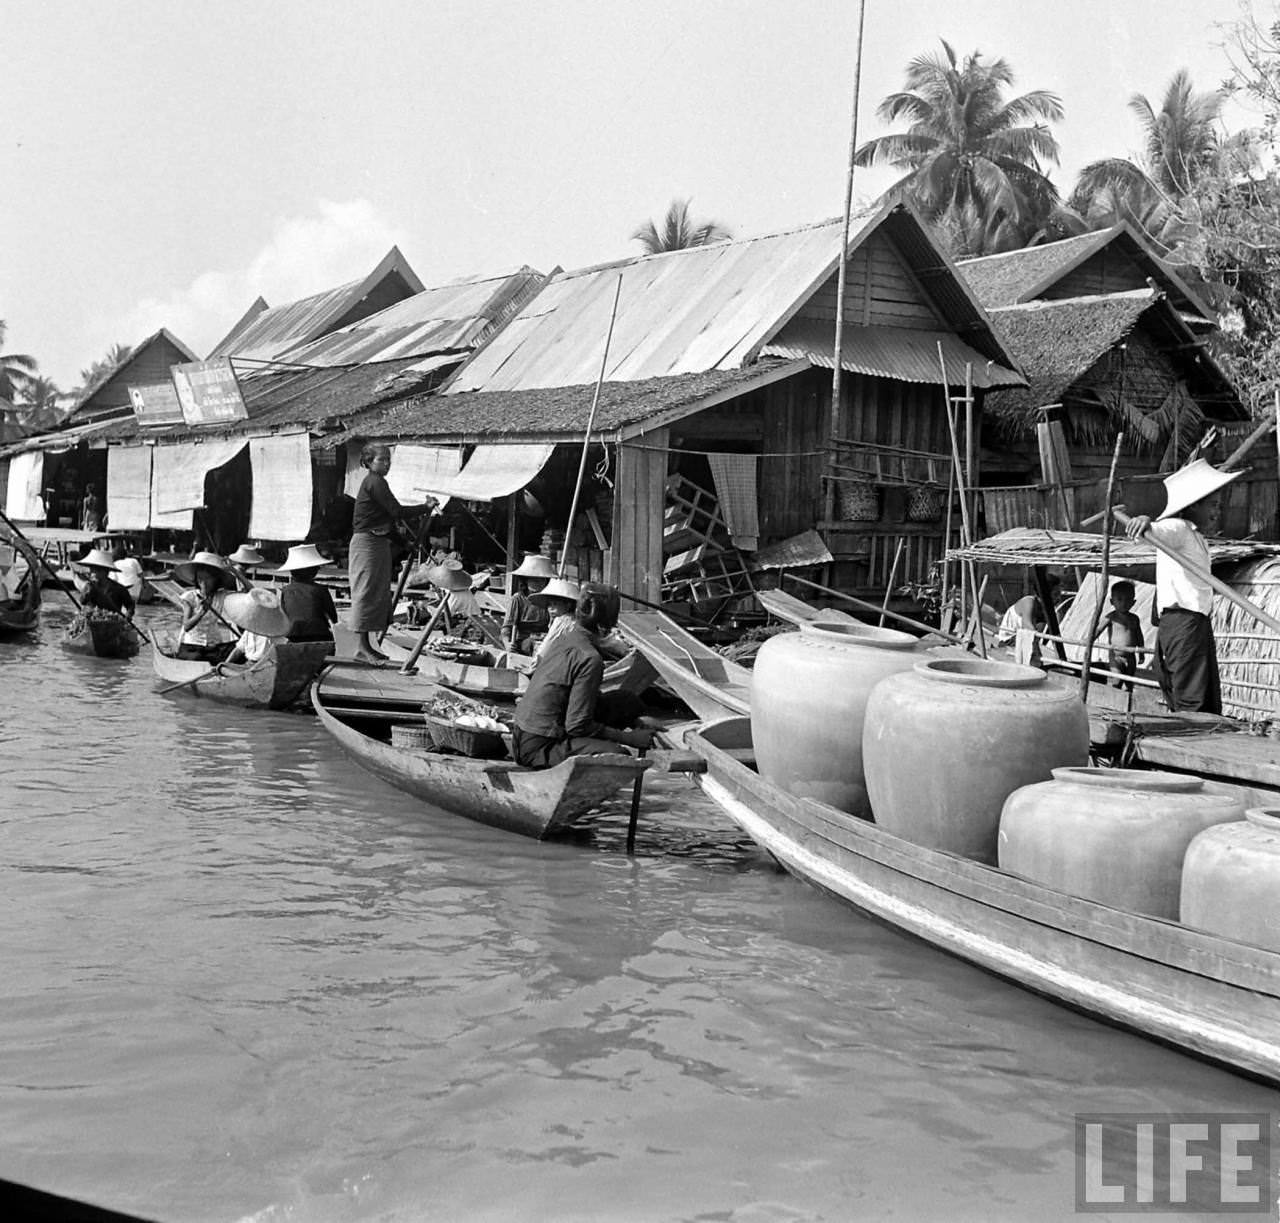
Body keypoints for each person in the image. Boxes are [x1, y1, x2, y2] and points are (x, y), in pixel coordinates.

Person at [1125, 458, 1241, 714]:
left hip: (1196, 623)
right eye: (1212, 504)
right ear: (1194, 505)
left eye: (1219, 506)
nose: (1217, 512)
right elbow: (1155, 532)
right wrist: (1146, 521)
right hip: (1183, 622)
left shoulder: (1196, 537)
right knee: (1192, 697)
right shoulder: (1178, 528)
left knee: (1204, 695)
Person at [511, 582, 654, 768]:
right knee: (620, 756)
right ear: (607, 627)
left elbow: (586, 701)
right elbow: (577, 725)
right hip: (538, 748)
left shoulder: (566, 637)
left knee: (627, 700)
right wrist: (629, 738)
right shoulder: (590, 659)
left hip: (522, 735)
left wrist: (635, 720)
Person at [348, 443, 435, 663]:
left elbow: (385, 521)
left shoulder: (379, 482)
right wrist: (425, 507)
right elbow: (396, 512)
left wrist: (404, 543)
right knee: (365, 592)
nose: (386, 464)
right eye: (382, 460)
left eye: (388, 460)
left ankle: (368, 645)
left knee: (377, 593)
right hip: (366, 544)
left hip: (378, 543)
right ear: (369, 462)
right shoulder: (374, 482)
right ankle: (360, 648)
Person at [173, 551, 240, 663]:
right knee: (197, 658)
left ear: (216, 581)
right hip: (192, 646)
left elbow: (246, 593)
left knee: (238, 649)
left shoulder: (221, 596)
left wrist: (236, 572)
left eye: (208, 579)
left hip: (213, 646)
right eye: (200, 579)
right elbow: (186, 626)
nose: (204, 583)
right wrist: (201, 612)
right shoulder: (189, 597)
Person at [275, 543, 338, 644]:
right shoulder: (320, 590)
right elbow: (334, 618)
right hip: (319, 635)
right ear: (312, 571)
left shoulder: (285, 591)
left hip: (293, 636)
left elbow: (284, 617)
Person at [222, 588, 292, 665]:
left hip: (264, 667)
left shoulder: (275, 632)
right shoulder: (249, 630)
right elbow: (238, 649)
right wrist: (225, 664)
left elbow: (284, 649)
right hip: (249, 664)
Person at [502, 554, 556, 654]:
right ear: (526, 580)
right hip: (523, 644)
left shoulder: (551, 600)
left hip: (546, 643)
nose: (538, 583)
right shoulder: (517, 599)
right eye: (533, 579)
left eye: (541, 579)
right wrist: (507, 644)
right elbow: (507, 628)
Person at [1102, 579, 1144, 687]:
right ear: (1112, 601)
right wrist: (1089, 640)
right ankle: (1114, 700)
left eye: (1128, 600)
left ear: (1133, 602)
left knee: (1129, 682)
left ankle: (1128, 699)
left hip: (1131, 656)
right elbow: (1098, 629)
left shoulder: (1134, 619)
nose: (1124, 603)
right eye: (1119, 599)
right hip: (1116, 656)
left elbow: (1139, 635)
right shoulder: (1111, 617)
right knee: (1117, 681)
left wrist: (1141, 652)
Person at [78, 548, 134, 618]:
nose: (93, 573)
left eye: (97, 570)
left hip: (112, 621)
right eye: (92, 569)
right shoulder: (89, 586)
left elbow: (130, 605)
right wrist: (89, 591)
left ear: (105, 572)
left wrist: (128, 614)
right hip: (93, 620)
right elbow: (82, 601)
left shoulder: (119, 589)